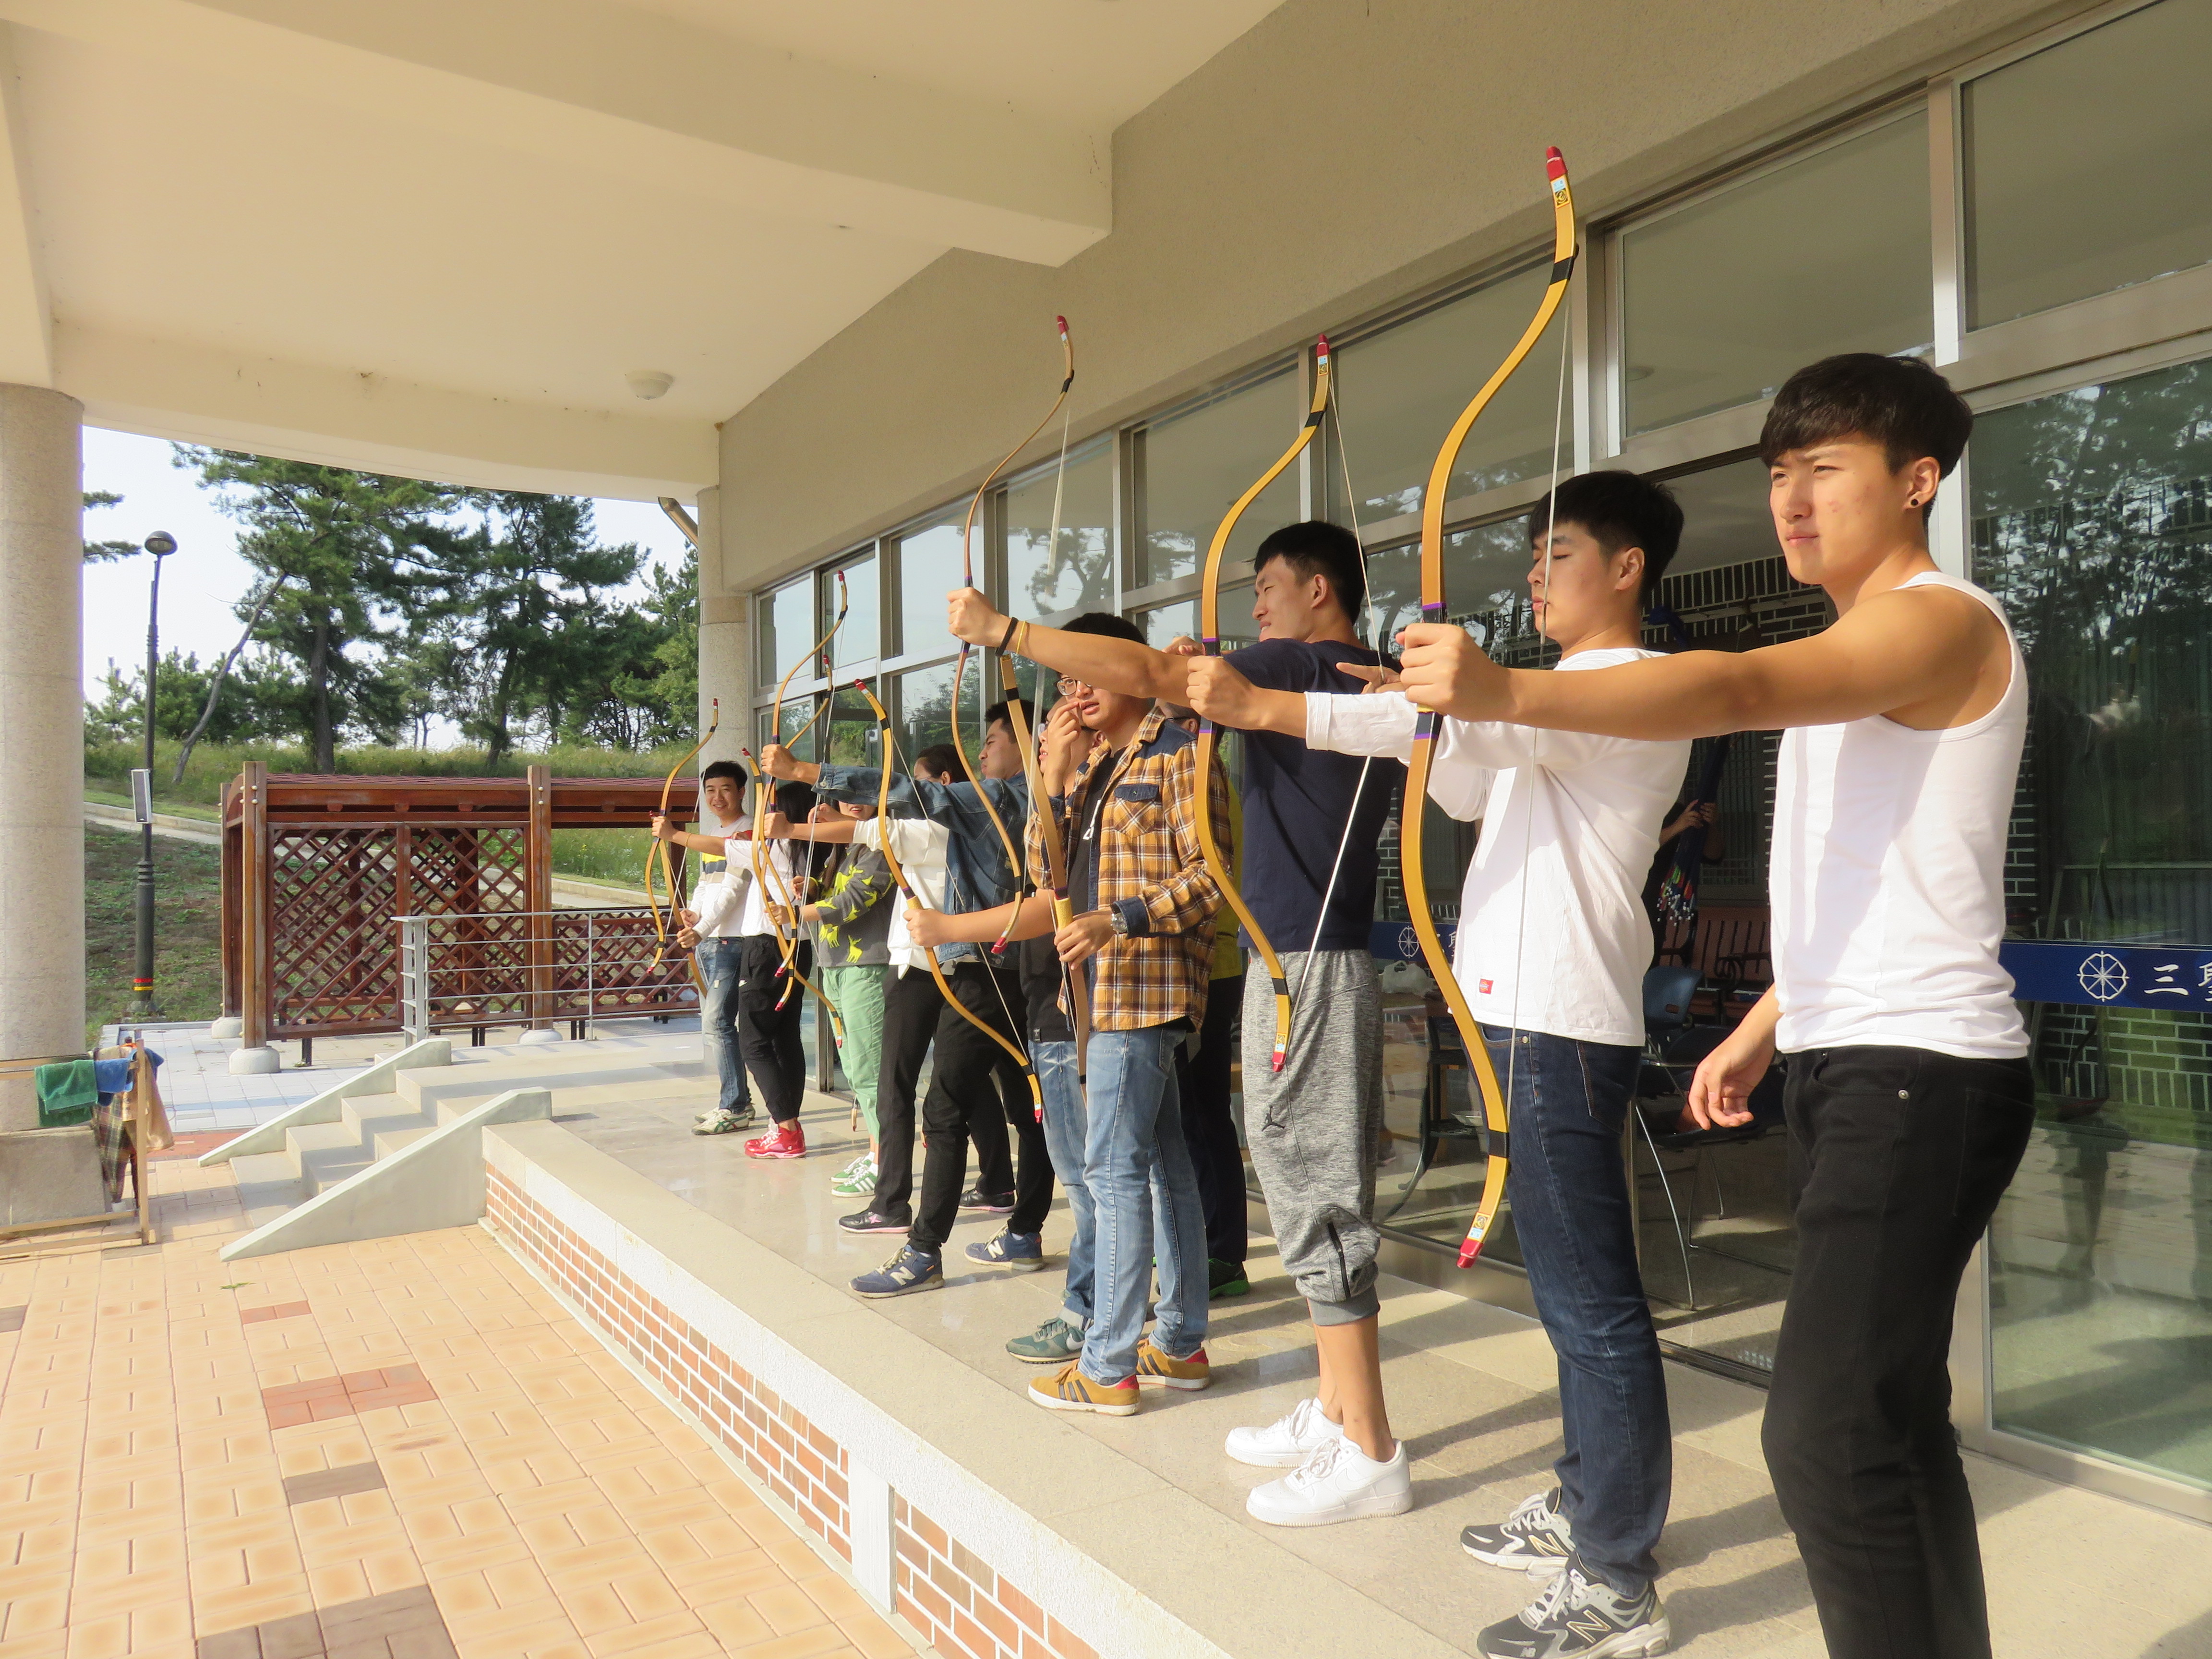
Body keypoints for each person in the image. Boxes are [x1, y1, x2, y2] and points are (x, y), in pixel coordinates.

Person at [1394, 353, 2034, 1659]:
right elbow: (1877, 887)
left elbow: (1735, 686)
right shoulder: (1855, 661)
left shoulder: (1940, 622)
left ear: (1918, 480)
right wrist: (1760, 1026)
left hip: (1921, 1069)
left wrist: (1507, 688)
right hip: (1861, 1060)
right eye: (1780, 473)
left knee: (1824, 1436)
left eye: (1825, 470)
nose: (1792, 500)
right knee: (1888, 1424)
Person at [1196, 470, 1690, 1655]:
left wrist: (1281, 706)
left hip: (1563, 1023)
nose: (1535, 574)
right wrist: (1414, 702)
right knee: (1570, 1298)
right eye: (1534, 555)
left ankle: (1616, 1575)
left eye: (1558, 554)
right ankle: (1586, 1499)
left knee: (1593, 1306)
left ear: (1626, 568)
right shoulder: (1544, 698)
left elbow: (1458, 725)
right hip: (1519, 1018)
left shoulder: (1626, 687)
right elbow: (1456, 771)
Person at [947, 522, 1412, 1524]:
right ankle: (1339, 1409)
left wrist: (1005, 632)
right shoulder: (1317, 683)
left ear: (1320, 591)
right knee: (1289, 1174)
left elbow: (1159, 679)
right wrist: (1061, 770)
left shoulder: (1310, 665)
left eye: (1269, 587)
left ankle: (1368, 1444)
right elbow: (1062, 858)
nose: (1256, 607)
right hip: (1290, 957)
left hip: (1292, 965)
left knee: (1312, 1187)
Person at [918, 613, 1225, 1416]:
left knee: (1113, 1171)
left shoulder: (1179, 753)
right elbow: (1045, 878)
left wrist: (1118, 919)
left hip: (1143, 991)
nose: (1075, 692)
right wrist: (1052, 781)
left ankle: (1108, 1364)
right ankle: (1180, 1342)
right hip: (1097, 997)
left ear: (1129, 668)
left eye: (1089, 674)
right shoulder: (1091, 767)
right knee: (1162, 1163)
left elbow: (1213, 879)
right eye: (1065, 681)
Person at [759, 707, 1041, 1293]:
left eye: (993, 740)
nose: (982, 751)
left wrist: (805, 773)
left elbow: (886, 816)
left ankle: (938, 1241)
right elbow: (875, 828)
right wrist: (796, 829)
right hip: (961, 966)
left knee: (1001, 1106)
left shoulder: (989, 808)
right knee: (997, 1102)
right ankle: (999, 1229)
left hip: (986, 968)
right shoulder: (990, 808)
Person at [660, 774, 819, 1158]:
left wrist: (673, 835)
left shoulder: (771, 848)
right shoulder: (814, 848)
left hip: (766, 947)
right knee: (785, 1038)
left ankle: (785, 1129)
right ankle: (784, 1125)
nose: (764, 815)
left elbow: (718, 845)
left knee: (754, 1041)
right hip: (798, 946)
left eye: (771, 808)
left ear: (785, 815)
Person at [770, 799, 895, 1199]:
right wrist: (812, 888)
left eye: (861, 794)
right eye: (843, 796)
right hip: (838, 966)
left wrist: (799, 913)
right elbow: (838, 892)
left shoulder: (882, 841)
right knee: (856, 1068)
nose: (851, 803)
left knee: (870, 1069)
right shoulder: (846, 848)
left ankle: (885, 1162)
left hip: (867, 965)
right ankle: (878, 1153)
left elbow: (859, 897)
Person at [673, 759, 756, 1136]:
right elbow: (707, 884)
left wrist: (702, 929)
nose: (717, 797)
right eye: (710, 790)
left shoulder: (746, 833)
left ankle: (735, 1105)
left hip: (731, 940)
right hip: (711, 939)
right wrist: (694, 914)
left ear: (741, 792)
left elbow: (734, 890)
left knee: (718, 1022)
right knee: (717, 1023)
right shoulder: (714, 834)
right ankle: (735, 1100)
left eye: (725, 789)